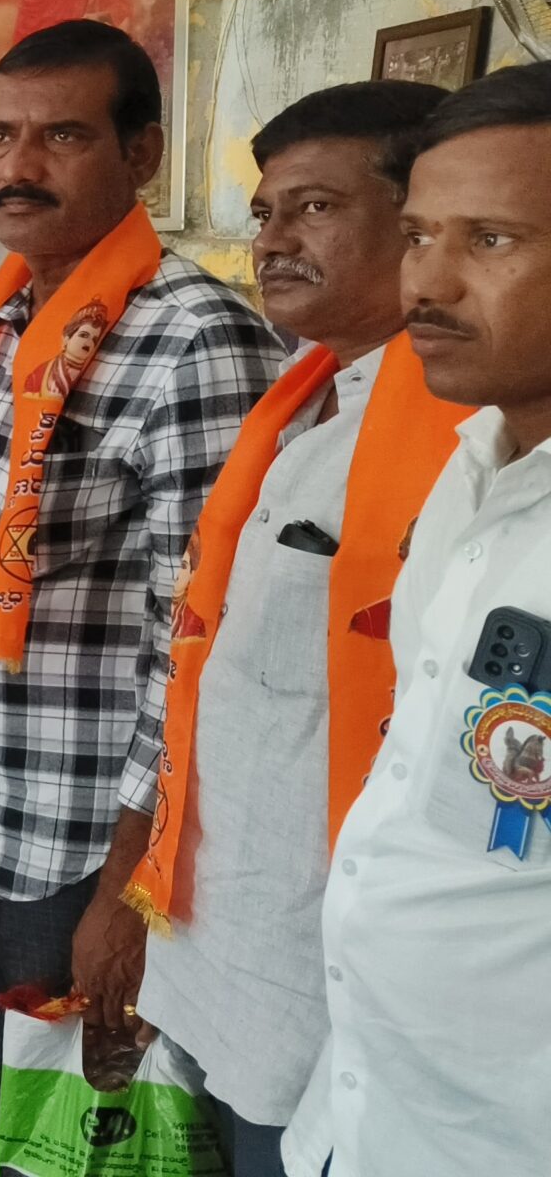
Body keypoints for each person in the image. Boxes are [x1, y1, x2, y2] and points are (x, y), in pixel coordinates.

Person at [0, 20, 281, 1177]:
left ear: (141, 155)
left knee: (86, 1144)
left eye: (61, 137)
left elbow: (192, 638)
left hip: (77, 840)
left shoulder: (193, 341)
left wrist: (129, 892)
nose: (17, 166)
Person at [100, 80, 457, 1177]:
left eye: (315, 208)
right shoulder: (298, 402)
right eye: (265, 213)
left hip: (334, 972)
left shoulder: (460, 438)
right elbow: (203, 669)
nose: (273, 240)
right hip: (218, 938)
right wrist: (134, 893)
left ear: (419, 225)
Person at [280, 63, 551, 1176]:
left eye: (491, 240)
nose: (427, 283)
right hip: (374, 1107)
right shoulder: (470, 470)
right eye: (419, 236)